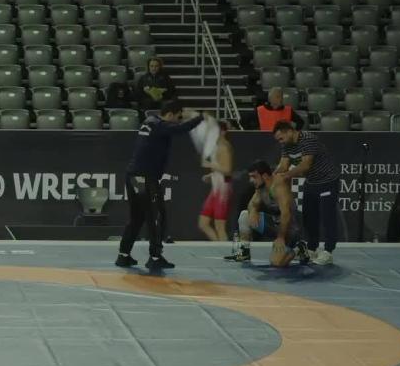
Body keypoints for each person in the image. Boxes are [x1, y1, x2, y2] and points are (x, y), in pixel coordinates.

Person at [116, 100, 204, 270]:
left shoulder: (149, 121)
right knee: (156, 217)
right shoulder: (160, 125)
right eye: (178, 117)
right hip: (145, 178)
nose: (178, 121)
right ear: (170, 114)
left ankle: (123, 255)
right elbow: (181, 129)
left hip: (134, 177)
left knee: (137, 218)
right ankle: (155, 257)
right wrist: (200, 118)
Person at [274, 121, 340, 266]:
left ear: (289, 131)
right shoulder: (286, 145)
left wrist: (286, 176)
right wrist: (273, 177)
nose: (280, 142)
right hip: (311, 182)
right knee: (309, 218)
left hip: (328, 181)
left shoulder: (308, 139)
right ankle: (311, 249)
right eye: (278, 140)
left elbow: (305, 165)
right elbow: (283, 165)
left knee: (328, 218)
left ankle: (328, 251)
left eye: (281, 138)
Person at [225, 160, 310, 266]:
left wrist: (281, 237)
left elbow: (286, 214)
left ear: (264, 176)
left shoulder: (279, 186)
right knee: (245, 216)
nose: (251, 180)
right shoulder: (260, 187)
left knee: (277, 263)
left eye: (254, 177)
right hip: (275, 224)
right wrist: (253, 211)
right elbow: (252, 204)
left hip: (290, 229)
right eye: (250, 177)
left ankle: (299, 249)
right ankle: (244, 252)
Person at [197, 120, 234, 241]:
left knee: (220, 226)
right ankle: (219, 246)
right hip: (216, 189)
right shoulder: (217, 147)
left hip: (223, 190)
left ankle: (223, 249)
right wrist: (211, 175)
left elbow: (228, 170)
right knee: (203, 223)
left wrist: (210, 164)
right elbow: (221, 168)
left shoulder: (224, 147)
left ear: (222, 132)